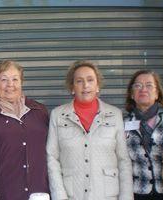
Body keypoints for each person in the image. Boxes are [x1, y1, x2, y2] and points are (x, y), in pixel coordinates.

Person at [46, 60, 133, 200]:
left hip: (107, 195)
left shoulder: (114, 114)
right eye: (79, 81)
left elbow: (123, 160)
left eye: (90, 80)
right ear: (72, 87)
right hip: (72, 195)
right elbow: (51, 158)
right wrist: (59, 196)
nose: (85, 85)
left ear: (97, 85)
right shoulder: (58, 115)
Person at [0, 60, 49, 200]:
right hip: (3, 190)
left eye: (15, 79)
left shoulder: (40, 111)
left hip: (39, 191)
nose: (10, 85)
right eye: (4, 80)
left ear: (21, 82)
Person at [124, 70, 163, 200]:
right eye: (137, 85)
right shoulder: (123, 124)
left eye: (149, 85)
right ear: (132, 95)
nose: (143, 89)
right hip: (137, 193)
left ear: (157, 93)